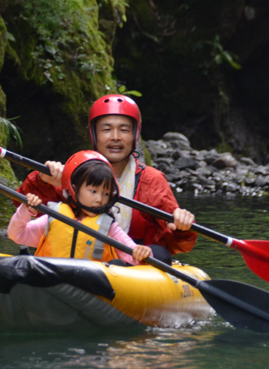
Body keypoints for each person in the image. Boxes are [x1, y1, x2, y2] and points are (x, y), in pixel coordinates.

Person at [16, 95, 196, 263]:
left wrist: (182, 227)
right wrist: (41, 180)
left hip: (131, 267)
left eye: (124, 130)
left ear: (134, 135)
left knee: (160, 254)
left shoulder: (151, 180)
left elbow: (178, 244)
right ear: (94, 134)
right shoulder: (73, 174)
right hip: (74, 260)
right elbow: (24, 209)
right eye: (107, 129)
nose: (115, 137)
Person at [9, 151, 153, 265]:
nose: (100, 199)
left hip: (91, 285)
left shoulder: (108, 226)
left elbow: (132, 255)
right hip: (51, 279)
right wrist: (25, 210)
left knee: (118, 264)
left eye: (106, 193)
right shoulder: (54, 217)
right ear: (75, 189)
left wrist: (142, 252)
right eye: (93, 191)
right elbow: (17, 235)